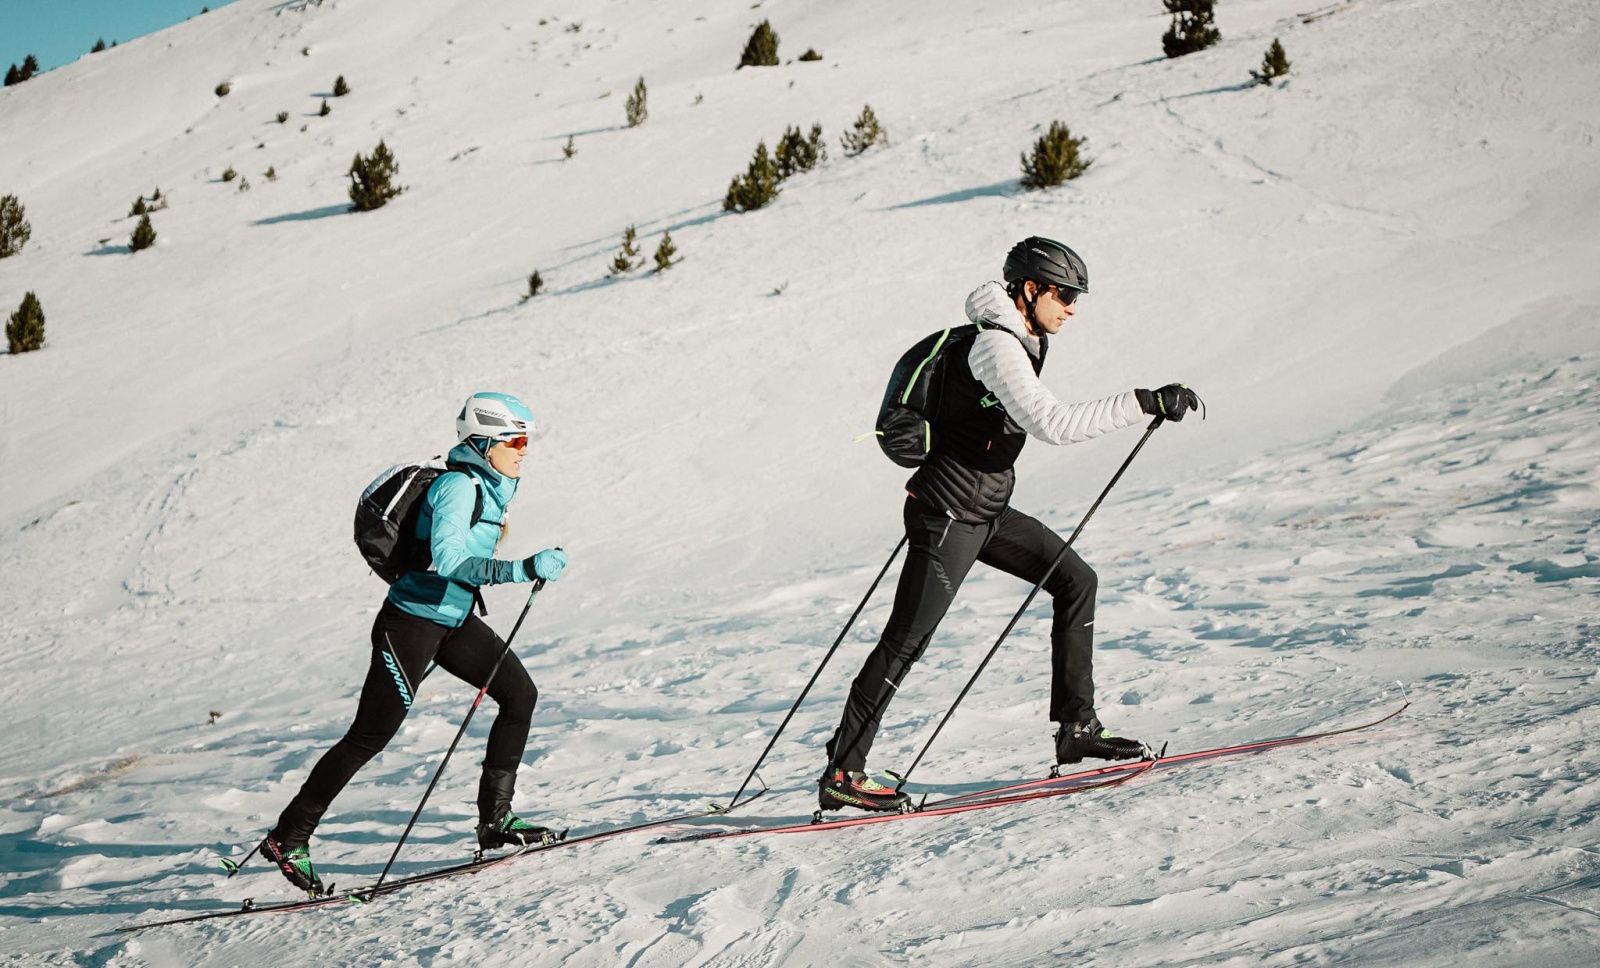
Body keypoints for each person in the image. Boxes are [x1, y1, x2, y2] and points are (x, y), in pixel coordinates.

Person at [819, 237, 1201, 812]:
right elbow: (1054, 424)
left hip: (988, 511)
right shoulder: (997, 348)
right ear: (1030, 289)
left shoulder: (1022, 340)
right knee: (906, 641)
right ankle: (843, 772)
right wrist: (1144, 401)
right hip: (947, 515)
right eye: (1066, 294)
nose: (1073, 307)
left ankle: (1077, 729)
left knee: (1076, 580)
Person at [260, 392, 570, 892]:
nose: (524, 449)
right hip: (410, 625)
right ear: (485, 441)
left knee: (520, 696)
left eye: (526, 439)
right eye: (515, 439)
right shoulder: (457, 487)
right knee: (369, 735)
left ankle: (496, 821)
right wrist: (521, 569)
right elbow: (447, 562)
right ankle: (289, 835)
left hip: (451, 621)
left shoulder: (490, 488)